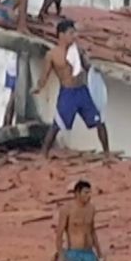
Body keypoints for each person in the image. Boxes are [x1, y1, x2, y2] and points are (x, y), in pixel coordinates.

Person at [32, 20, 110, 159]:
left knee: (99, 121)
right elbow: (45, 76)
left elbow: (88, 68)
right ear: (61, 35)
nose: (74, 36)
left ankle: (107, 153)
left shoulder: (77, 51)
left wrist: (93, 68)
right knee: (57, 125)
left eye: (74, 33)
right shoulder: (52, 55)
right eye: (71, 33)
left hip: (82, 90)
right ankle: (44, 154)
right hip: (67, 93)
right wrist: (38, 87)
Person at [54, 180, 104, 261]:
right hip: (74, 253)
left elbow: (92, 231)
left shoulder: (91, 209)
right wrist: (61, 254)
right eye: (86, 193)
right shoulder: (67, 209)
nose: (89, 196)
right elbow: (59, 234)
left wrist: (99, 253)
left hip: (89, 252)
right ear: (77, 193)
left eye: (90, 193)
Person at [2, 55, 17, 126]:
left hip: (13, 66)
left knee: (12, 97)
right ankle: (7, 123)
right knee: (13, 98)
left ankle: (7, 122)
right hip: (15, 68)